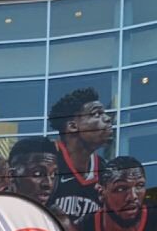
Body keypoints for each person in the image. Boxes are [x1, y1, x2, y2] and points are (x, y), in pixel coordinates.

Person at [48, 86, 114, 221]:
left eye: (105, 113)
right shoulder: (46, 159)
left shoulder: (104, 170)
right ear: (72, 126)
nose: (107, 119)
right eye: (97, 114)